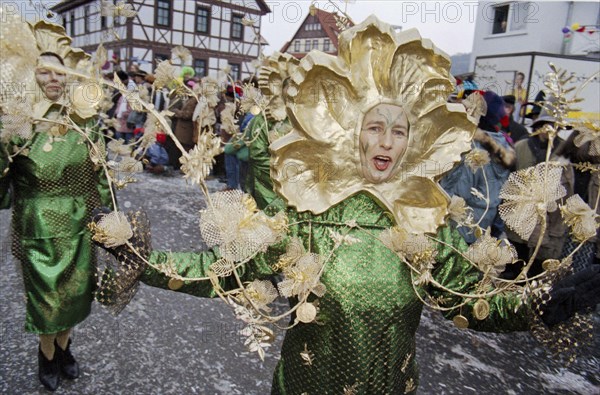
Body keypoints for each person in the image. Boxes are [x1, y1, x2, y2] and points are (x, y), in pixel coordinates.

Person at [95, 17, 600, 395]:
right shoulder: (308, 211)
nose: (385, 140)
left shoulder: (424, 216)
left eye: (398, 129)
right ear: (352, 134)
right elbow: (228, 271)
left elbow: (467, 300)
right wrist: (146, 263)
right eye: (374, 127)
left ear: (413, 140)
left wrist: (542, 303)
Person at [0, 51, 113, 391]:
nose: (53, 79)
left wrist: (107, 216)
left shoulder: (85, 123)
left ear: (68, 79)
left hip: (80, 226)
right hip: (38, 229)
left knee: (76, 296)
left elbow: (102, 177)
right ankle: (46, 356)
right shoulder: (17, 125)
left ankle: (65, 351)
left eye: (59, 73)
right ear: (30, 77)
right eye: (44, 72)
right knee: (47, 301)